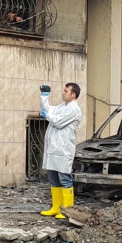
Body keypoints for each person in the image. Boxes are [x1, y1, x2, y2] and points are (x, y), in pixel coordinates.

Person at [39, 83, 82, 219]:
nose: (63, 93)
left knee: (64, 179)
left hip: (63, 149)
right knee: (53, 179)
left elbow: (58, 122)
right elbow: (48, 110)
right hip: (53, 148)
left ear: (73, 94)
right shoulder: (62, 107)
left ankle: (67, 210)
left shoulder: (74, 109)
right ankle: (56, 208)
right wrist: (44, 97)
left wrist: (47, 116)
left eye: (66, 91)